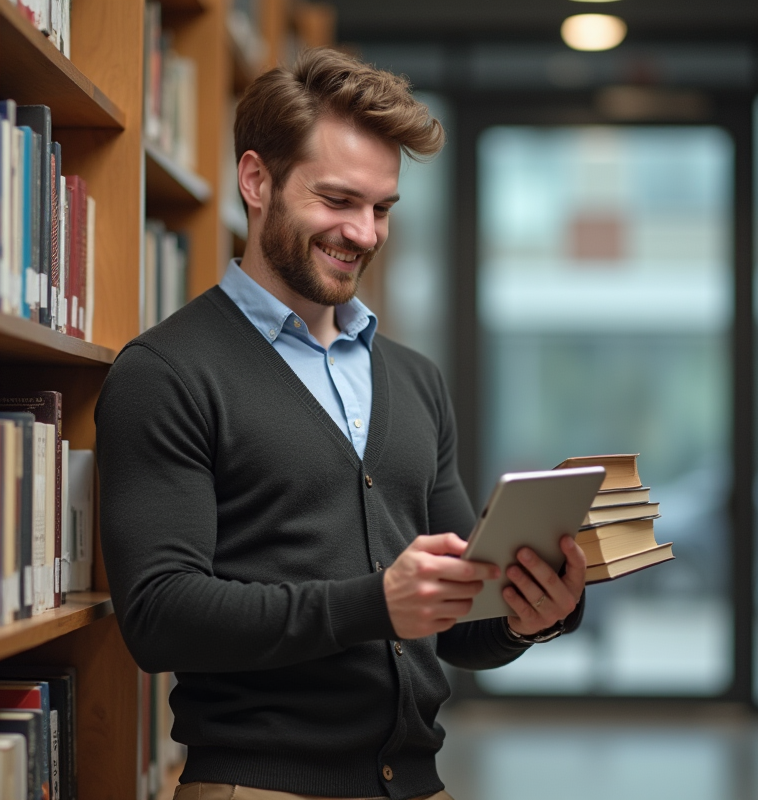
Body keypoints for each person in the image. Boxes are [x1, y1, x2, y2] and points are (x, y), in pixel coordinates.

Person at [95, 48, 587, 800]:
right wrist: (376, 603)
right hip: (259, 786)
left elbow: (456, 625)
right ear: (256, 181)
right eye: (338, 200)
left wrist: (529, 615)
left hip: (418, 785)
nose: (364, 233)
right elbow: (158, 615)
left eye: (383, 208)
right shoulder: (166, 373)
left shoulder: (415, 379)